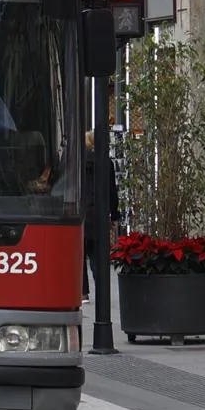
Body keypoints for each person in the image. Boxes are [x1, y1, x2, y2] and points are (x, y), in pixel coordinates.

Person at [82, 129, 118, 303]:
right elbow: (112, 191)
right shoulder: (107, 163)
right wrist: (114, 215)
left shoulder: (78, 163)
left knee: (80, 256)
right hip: (100, 214)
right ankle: (101, 289)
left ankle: (83, 293)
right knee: (98, 256)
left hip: (81, 214)